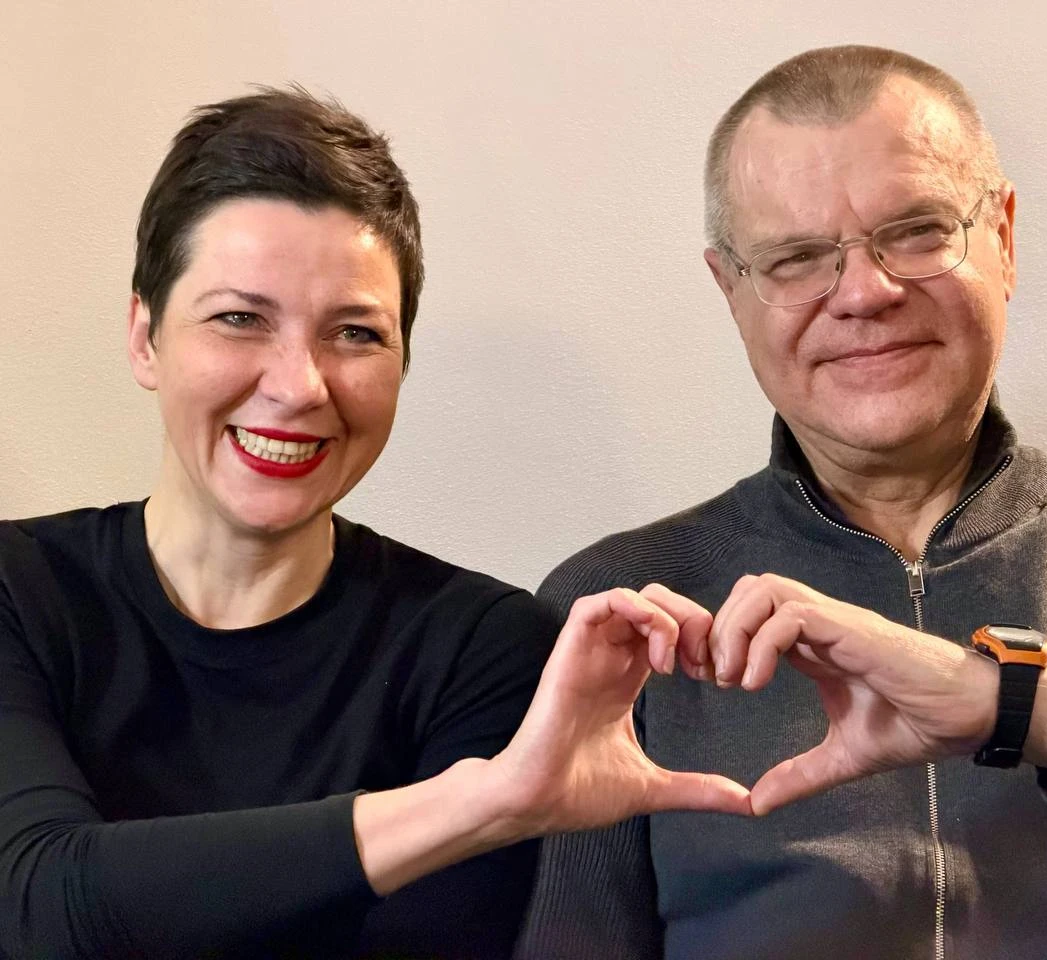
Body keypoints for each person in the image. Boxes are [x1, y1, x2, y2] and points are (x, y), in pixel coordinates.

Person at [516, 45, 1047, 960]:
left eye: (917, 231)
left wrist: (1011, 705)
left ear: (1004, 239)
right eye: (798, 258)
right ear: (731, 291)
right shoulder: (620, 613)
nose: (866, 293)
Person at [0, 88, 751, 960]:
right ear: (144, 336)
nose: (299, 385)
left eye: (354, 333)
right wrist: (482, 802)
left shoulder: (485, 649)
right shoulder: (20, 590)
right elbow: (35, 904)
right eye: (240, 318)